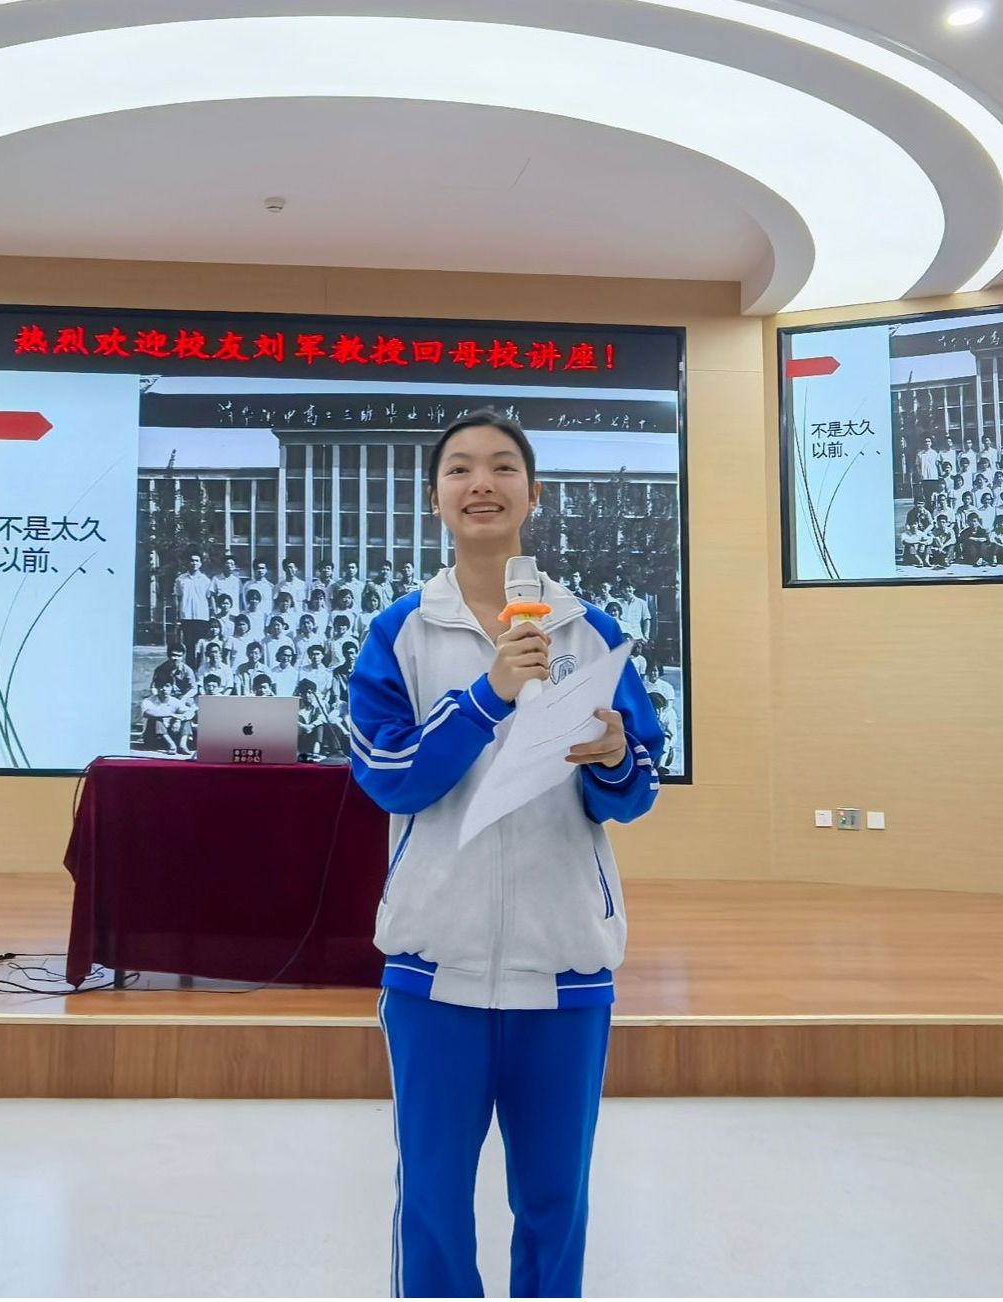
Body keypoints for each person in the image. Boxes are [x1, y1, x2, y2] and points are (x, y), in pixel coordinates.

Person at [348, 411, 661, 1299]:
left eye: (501, 467)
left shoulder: (590, 631)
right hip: (434, 966)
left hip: (564, 965)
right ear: (435, 498)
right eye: (459, 469)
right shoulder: (401, 633)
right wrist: (487, 696)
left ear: (533, 493)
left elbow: (636, 787)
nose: (480, 483)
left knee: (556, 1199)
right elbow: (389, 777)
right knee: (434, 1201)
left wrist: (613, 756)